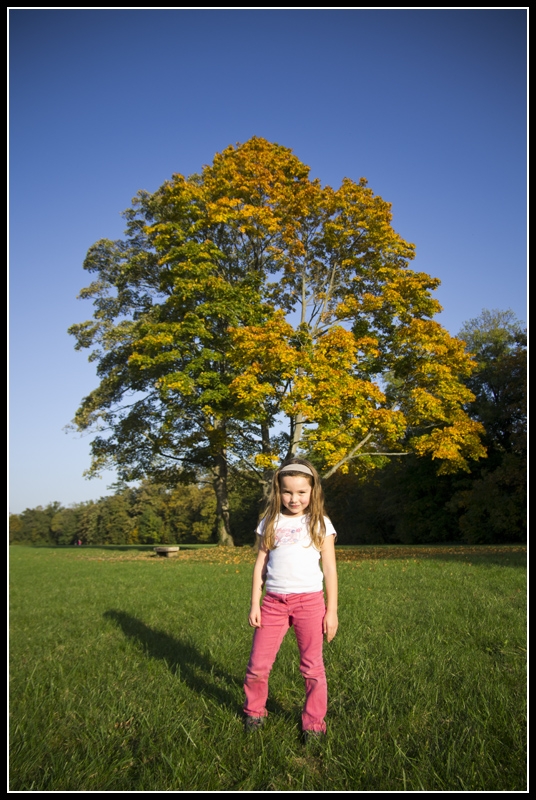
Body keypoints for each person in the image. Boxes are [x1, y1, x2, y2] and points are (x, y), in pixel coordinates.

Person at [243, 457, 338, 742]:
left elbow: (330, 569)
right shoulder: (270, 522)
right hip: (273, 604)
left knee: (312, 668)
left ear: (313, 492)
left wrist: (331, 611)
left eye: (301, 492)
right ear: (278, 491)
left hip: (310, 603)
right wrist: (254, 603)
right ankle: (254, 712)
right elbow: (260, 564)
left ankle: (313, 724)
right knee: (258, 665)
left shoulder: (320, 523)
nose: (293, 498)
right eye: (287, 491)